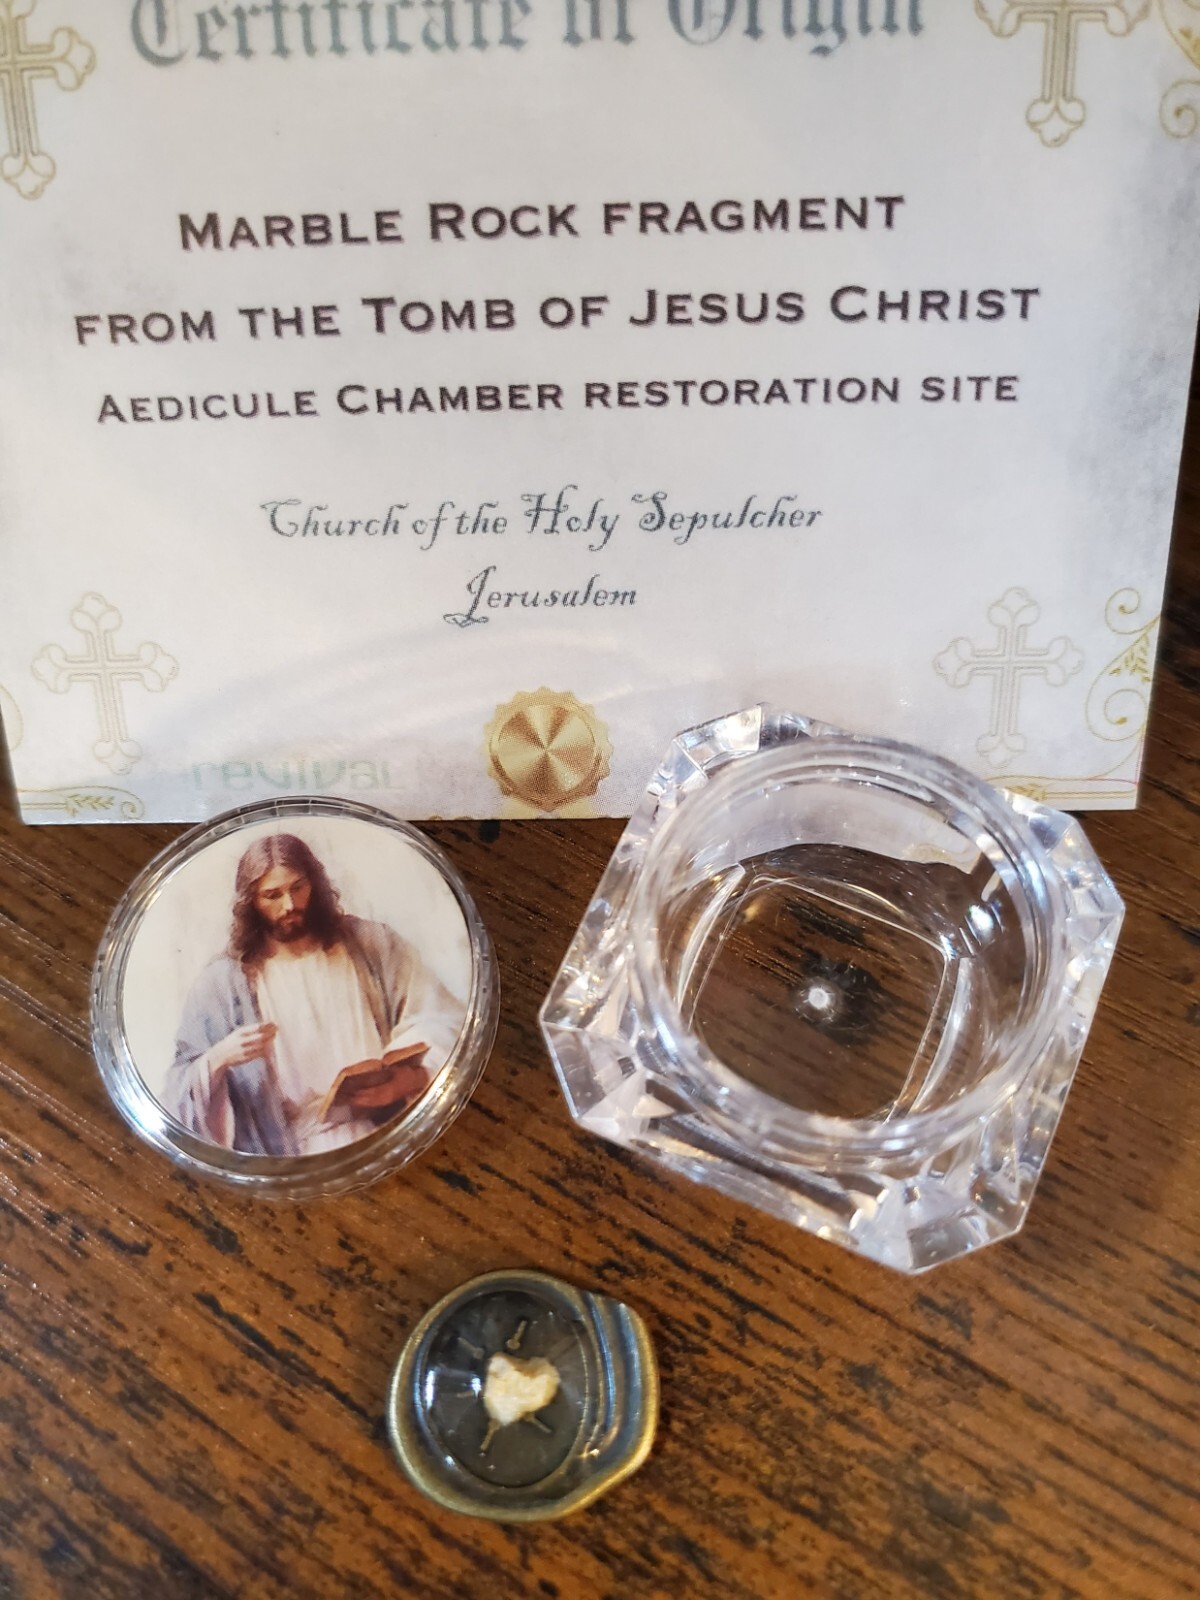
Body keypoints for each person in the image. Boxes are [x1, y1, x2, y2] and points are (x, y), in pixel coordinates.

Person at [165, 832, 465, 1157]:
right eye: (272, 895)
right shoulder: (221, 983)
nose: (289, 905)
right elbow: (177, 1093)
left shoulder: (370, 944)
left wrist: (408, 1079)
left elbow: (440, 1014)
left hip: (390, 1131)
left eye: (298, 887)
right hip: (293, 1152)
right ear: (250, 902)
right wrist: (219, 1058)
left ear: (315, 883)